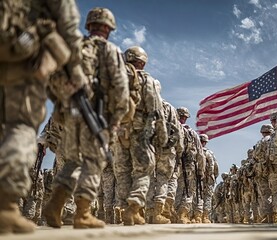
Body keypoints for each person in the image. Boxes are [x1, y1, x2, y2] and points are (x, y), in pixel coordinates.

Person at [0, 0, 85, 234]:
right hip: (22, 71)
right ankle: (5, 208)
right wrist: (75, 77)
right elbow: (70, 36)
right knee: (20, 129)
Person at [43, 7, 129, 229]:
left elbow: (52, 81)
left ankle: (55, 203)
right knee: (93, 162)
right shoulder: (110, 50)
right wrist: (117, 119)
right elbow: (121, 89)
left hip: (71, 113)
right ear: (109, 29)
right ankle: (82, 213)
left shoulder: (73, 48)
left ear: (89, 26)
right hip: (96, 114)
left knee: (72, 160)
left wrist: (63, 104)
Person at [120, 46, 167, 226]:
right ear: (143, 62)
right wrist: (161, 137)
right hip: (140, 132)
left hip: (118, 132)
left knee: (122, 171)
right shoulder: (147, 80)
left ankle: (126, 209)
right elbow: (156, 111)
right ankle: (133, 209)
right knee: (143, 170)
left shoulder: (113, 78)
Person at [200, 134, 217, 223]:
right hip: (208, 177)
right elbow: (215, 166)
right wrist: (213, 175)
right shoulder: (209, 152)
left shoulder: (195, 150)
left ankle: (197, 216)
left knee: (198, 195)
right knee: (207, 197)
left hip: (198, 176)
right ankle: (205, 217)